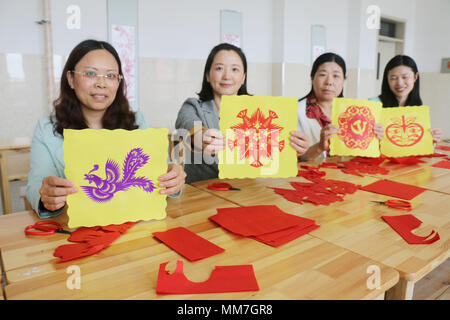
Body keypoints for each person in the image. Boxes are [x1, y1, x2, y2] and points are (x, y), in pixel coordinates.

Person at [26, 39, 186, 218]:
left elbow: (161, 173)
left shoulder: (138, 122)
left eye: (110, 76)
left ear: (118, 83)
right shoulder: (47, 129)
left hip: (134, 224)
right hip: (76, 229)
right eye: (90, 73)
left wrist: (173, 178)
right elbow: (35, 184)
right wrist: (45, 196)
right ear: (70, 79)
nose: (101, 84)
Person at [175, 43, 309, 184]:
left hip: (249, 191)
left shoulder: (259, 112)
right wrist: (200, 135)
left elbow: (272, 153)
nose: (227, 76)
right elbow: (187, 124)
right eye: (219, 68)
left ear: (243, 78)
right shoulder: (193, 106)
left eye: (235, 69)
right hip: (204, 193)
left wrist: (294, 148)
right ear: (208, 75)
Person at [297, 52, 384, 160]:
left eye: (336, 76)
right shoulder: (296, 111)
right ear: (312, 78)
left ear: (344, 81)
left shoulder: (355, 113)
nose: (329, 82)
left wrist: (375, 141)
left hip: (345, 175)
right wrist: (319, 147)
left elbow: (358, 154)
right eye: (323, 75)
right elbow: (294, 158)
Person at [371, 55, 443, 143]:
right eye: (393, 78)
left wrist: (431, 140)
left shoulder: (419, 109)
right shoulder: (373, 104)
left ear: (415, 77)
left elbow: (416, 145)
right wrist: (373, 137)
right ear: (387, 79)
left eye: (405, 77)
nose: (400, 83)